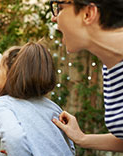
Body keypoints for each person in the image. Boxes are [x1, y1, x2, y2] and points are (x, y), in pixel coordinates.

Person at [49, 0, 123, 152]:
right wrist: (82, 138)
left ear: (88, 13)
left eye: (60, 8)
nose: (53, 18)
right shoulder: (111, 67)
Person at [0, 42, 75, 156]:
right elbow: (70, 146)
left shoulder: (2, 104)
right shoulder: (53, 106)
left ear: (12, 74)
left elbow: (14, 138)